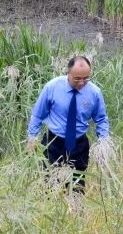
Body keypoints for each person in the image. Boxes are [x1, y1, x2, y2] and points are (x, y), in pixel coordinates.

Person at [26, 55, 109, 192]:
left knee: (77, 188)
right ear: (68, 73)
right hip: (53, 143)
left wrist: (103, 142)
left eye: (86, 78)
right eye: (77, 79)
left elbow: (101, 119)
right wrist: (32, 137)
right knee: (49, 187)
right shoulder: (52, 87)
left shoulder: (94, 92)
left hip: (79, 146)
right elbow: (38, 114)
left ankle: (75, 204)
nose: (81, 83)